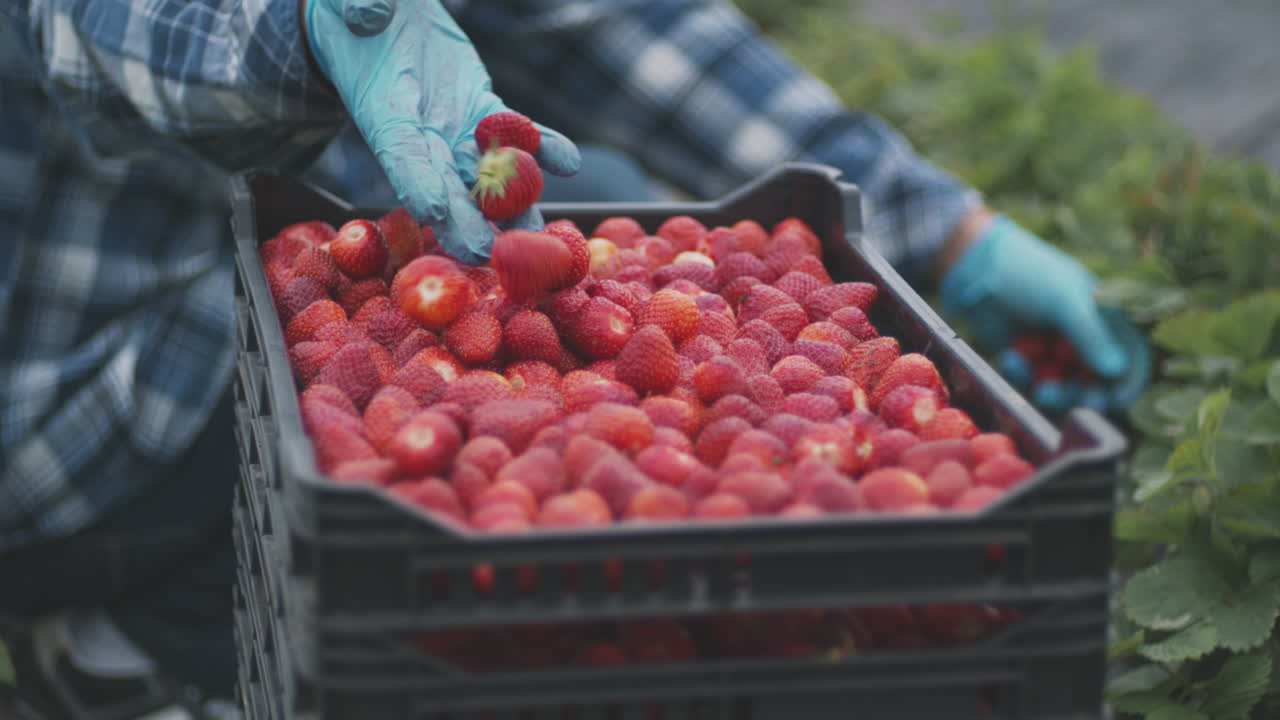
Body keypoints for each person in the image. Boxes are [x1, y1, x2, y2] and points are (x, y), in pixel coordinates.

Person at [0, 0, 1136, 717]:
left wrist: (941, 227)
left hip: (277, 349)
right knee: (298, 392)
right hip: (59, 401)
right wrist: (293, 31)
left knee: (487, 274)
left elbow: (604, 20)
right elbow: (95, 23)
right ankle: (129, 634)